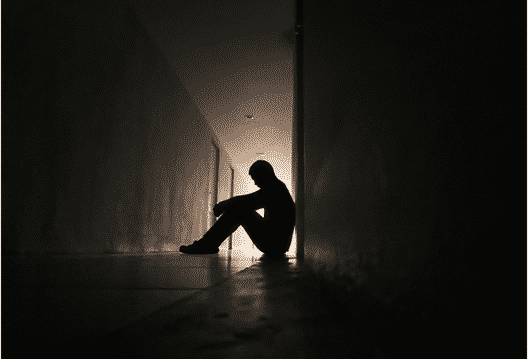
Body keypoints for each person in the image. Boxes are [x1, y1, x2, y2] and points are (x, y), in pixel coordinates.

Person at [180, 160, 296, 259]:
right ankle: (207, 244)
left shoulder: (275, 189)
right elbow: (250, 200)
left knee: (238, 210)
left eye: (256, 178)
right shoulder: (277, 188)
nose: (255, 183)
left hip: (274, 246)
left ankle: (206, 244)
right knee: (238, 208)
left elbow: (248, 200)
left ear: (264, 174)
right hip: (275, 244)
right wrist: (228, 204)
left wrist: (224, 204)